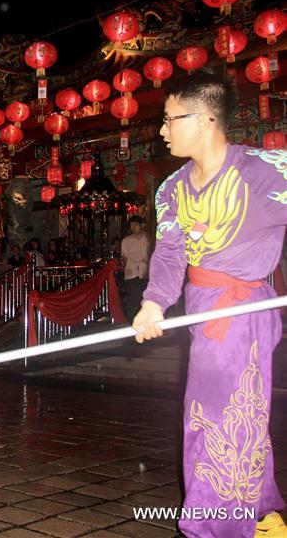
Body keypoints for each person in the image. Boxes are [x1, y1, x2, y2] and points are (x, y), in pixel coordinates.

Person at [132, 73, 286, 538]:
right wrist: (154, 304)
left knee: (219, 416)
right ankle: (261, 514)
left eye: (169, 120)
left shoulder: (268, 170)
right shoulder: (171, 190)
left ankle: (214, 527)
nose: (161, 131)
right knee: (234, 409)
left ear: (203, 119)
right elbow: (170, 254)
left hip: (244, 311)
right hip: (203, 310)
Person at [120, 215, 150, 320]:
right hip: (131, 273)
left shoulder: (149, 239)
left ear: (141, 225)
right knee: (134, 300)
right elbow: (124, 258)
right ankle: (134, 322)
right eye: (131, 225)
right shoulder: (126, 241)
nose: (133, 228)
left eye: (135, 225)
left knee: (146, 299)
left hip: (146, 273)